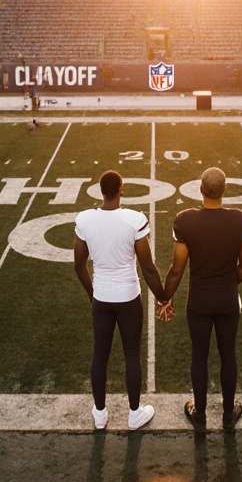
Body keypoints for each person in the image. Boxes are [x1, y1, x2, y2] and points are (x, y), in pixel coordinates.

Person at [161, 168, 242, 430]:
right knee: (228, 353)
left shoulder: (185, 221)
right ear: (224, 189)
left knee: (199, 355)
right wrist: (224, 284)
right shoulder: (241, 220)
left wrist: (165, 297)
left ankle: (200, 416)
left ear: (200, 189)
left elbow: (177, 269)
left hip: (199, 301)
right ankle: (227, 414)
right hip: (227, 300)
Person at [75, 171, 168, 431]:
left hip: (102, 297)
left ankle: (101, 414)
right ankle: (134, 413)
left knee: (100, 354)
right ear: (121, 190)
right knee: (132, 354)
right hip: (128, 296)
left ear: (100, 190)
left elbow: (79, 265)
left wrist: (93, 294)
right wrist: (162, 297)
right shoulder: (133, 220)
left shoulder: (85, 220)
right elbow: (148, 268)